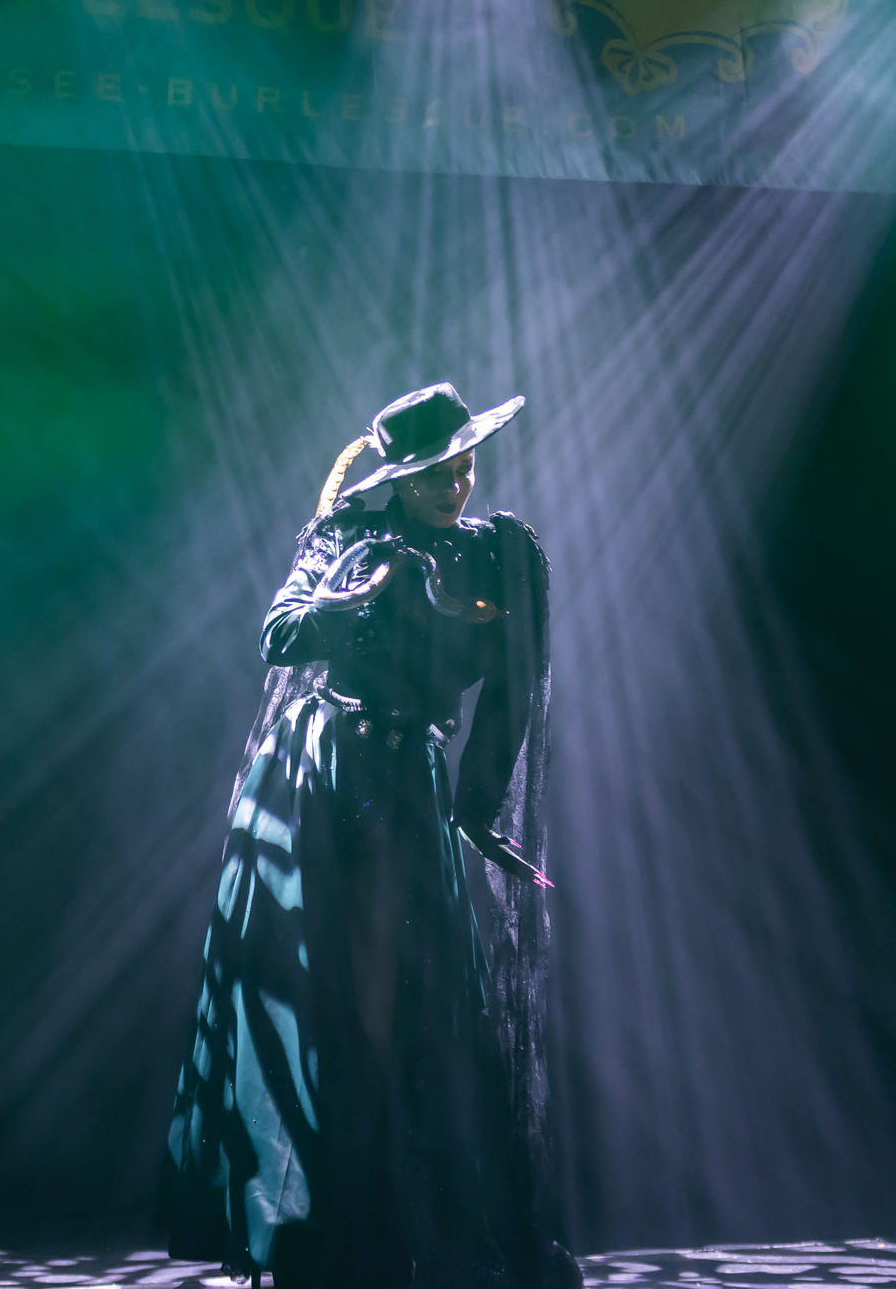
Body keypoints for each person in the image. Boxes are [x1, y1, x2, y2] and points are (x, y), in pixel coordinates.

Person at [156, 383, 580, 1289]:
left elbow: (513, 686)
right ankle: (319, 1227)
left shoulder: (496, 554)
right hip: (321, 776)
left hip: (410, 785)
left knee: (414, 1000)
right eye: (433, 474)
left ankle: (402, 1221)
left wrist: (477, 805)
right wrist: (347, 599)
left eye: (464, 466)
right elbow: (278, 634)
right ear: (399, 477)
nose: (455, 486)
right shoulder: (347, 538)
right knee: (323, 995)